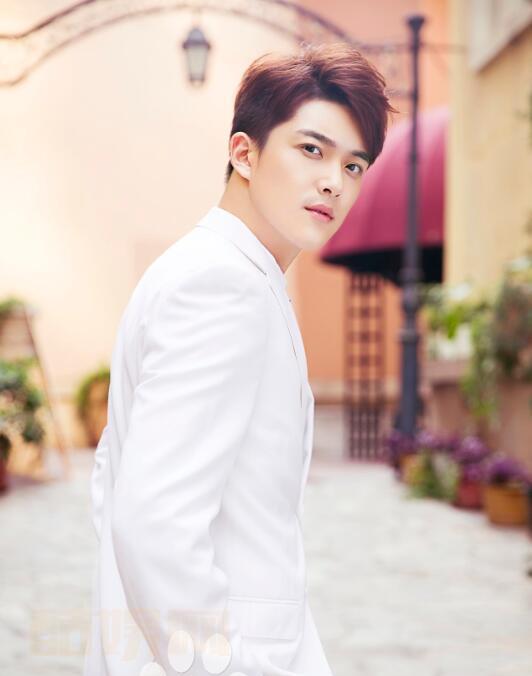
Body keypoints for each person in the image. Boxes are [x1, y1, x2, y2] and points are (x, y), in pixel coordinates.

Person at [84, 42, 395, 676]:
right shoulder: (220, 286)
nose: (334, 182)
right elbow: (153, 523)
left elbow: (116, 488)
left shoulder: (231, 274)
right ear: (244, 153)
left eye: (354, 165)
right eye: (311, 150)